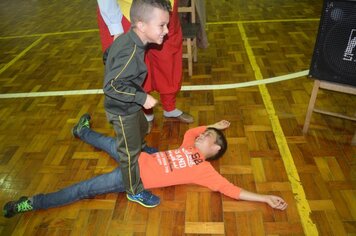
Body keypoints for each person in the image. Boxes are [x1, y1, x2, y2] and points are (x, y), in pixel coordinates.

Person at [3, 114, 287, 218]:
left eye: (208, 137)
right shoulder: (189, 142)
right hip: (136, 155)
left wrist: (264, 197)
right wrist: (212, 125)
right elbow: (193, 131)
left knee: (84, 188)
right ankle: (81, 131)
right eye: (204, 133)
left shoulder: (205, 171)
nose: (202, 134)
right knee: (107, 141)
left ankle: (31, 203)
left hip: (132, 176)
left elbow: (232, 190)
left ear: (215, 150)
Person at [102, 0, 175, 208]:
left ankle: (141, 147)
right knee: (129, 154)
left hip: (131, 103)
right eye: (162, 25)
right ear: (141, 25)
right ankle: (134, 191)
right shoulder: (131, 51)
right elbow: (111, 86)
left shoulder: (130, 40)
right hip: (121, 111)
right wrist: (141, 97)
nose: (167, 31)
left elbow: (107, 54)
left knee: (142, 126)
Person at [97, 0, 194, 127]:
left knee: (168, 59)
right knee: (135, 64)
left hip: (163, 7)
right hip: (128, 12)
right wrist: (116, 28)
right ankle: (145, 111)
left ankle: (170, 107)